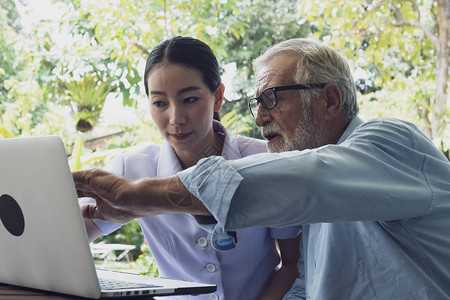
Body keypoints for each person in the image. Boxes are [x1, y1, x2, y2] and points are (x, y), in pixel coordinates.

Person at [74, 38, 450, 299]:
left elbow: (304, 179)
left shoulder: (391, 141)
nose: (260, 119)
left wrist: (137, 196)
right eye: (257, 103)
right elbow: (302, 285)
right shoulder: (315, 214)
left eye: (271, 99)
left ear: (330, 99)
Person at [80, 36, 301, 300]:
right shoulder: (133, 168)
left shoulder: (263, 158)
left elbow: (291, 263)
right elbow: (66, 240)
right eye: (160, 103)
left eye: (190, 99)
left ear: (218, 97)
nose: (175, 119)